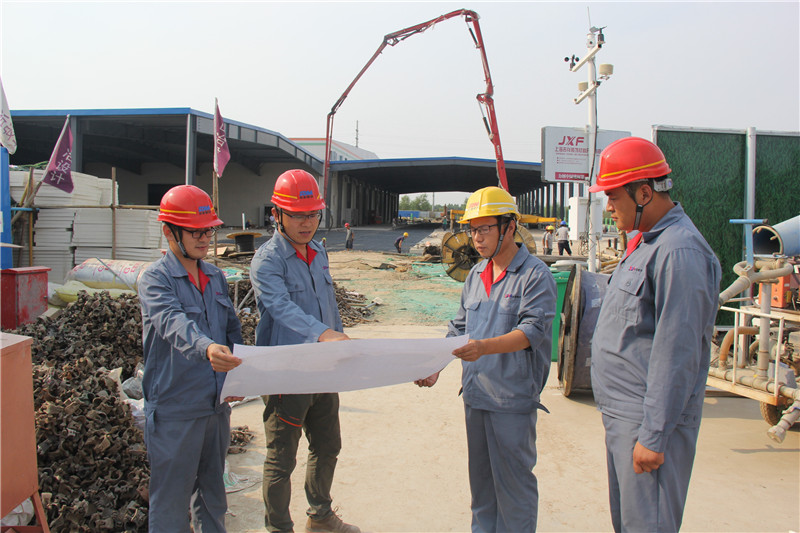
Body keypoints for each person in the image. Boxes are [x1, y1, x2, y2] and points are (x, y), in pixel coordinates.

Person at [588, 137, 721, 532]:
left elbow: (678, 351)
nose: (608, 206)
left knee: (648, 525)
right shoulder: (646, 243)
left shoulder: (680, 252)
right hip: (624, 418)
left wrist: (654, 435)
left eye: (613, 196)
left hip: (646, 423)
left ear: (644, 193)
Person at [416, 186, 556, 532]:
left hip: (511, 400)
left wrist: (483, 348)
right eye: (472, 229)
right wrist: (435, 365)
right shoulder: (476, 276)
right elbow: (459, 328)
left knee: (514, 490)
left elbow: (532, 332)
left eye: (485, 229)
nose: (476, 238)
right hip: (476, 398)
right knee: (481, 489)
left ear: (509, 227)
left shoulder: (535, 276)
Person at [250, 169, 360, 533]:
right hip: (288, 374)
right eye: (297, 215)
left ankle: (320, 516)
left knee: (328, 445)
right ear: (277, 215)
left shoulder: (318, 251)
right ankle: (279, 527)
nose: (307, 223)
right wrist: (323, 334)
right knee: (282, 459)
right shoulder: (268, 260)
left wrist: (338, 339)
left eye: (312, 214)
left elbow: (327, 302)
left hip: (323, 370)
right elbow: (280, 307)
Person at [138, 184, 243, 533]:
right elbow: (172, 322)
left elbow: (231, 329)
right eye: (195, 232)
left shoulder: (215, 276)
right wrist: (206, 348)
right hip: (176, 410)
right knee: (171, 502)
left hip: (215, 407)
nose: (204, 238)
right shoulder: (155, 279)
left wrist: (239, 376)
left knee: (213, 495)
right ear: (169, 232)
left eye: (208, 230)